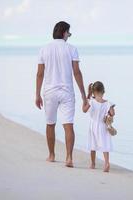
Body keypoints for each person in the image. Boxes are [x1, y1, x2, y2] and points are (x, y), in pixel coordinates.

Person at [36, 21, 87, 168]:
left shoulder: (44, 49)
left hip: (49, 92)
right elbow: (77, 73)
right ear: (64, 32)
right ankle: (69, 158)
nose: (69, 36)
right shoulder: (71, 49)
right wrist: (84, 96)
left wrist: (37, 94)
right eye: (69, 33)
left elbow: (40, 74)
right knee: (68, 125)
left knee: (50, 124)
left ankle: (51, 155)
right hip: (67, 92)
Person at [83, 81, 115, 172]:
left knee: (93, 144)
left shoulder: (91, 102)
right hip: (103, 126)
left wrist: (88, 96)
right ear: (103, 91)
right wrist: (109, 114)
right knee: (104, 144)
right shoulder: (108, 103)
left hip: (93, 125)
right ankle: (107, 163)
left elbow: (84, 110)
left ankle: (93, 163)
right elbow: (112, 113)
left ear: (93, 92)